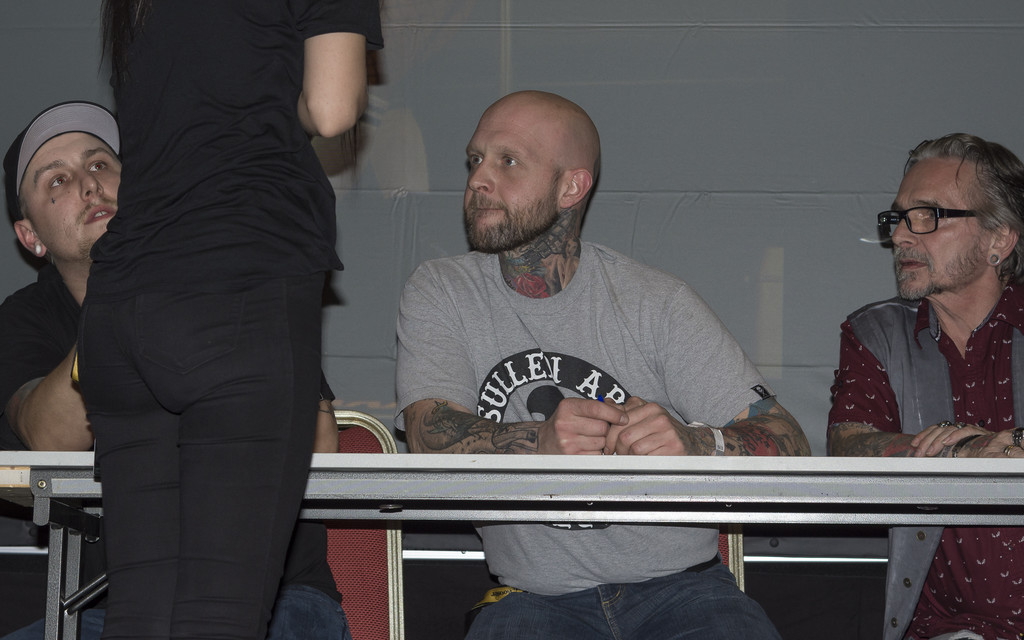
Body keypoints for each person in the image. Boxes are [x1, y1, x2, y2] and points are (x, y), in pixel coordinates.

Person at [395, 90, 810, 639]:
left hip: (682, 589)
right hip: (533, 599)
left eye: (508, 161)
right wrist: (540, 442)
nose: (478, 179)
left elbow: (789, 442)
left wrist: (696, 442)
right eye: (475, 159)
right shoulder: (442, 291)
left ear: (571, 187)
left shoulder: (656, 301)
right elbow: (427, 433)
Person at [1, 101, 352, 640]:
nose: (90, 186)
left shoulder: (232, 277)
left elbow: (320, 442)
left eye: (100, 164)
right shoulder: (26, 318)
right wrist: (118, 294)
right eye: (58, 180)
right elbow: (51, 436)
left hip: (274, 597)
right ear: (31, 237)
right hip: (112, 605)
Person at [829, 133, 1024, 640]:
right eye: (898, 217)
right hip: (944, 630)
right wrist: (961, 451)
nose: (900, 236)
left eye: (928, 216)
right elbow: (849, 445)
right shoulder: (875, 333)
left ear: (999, 240)